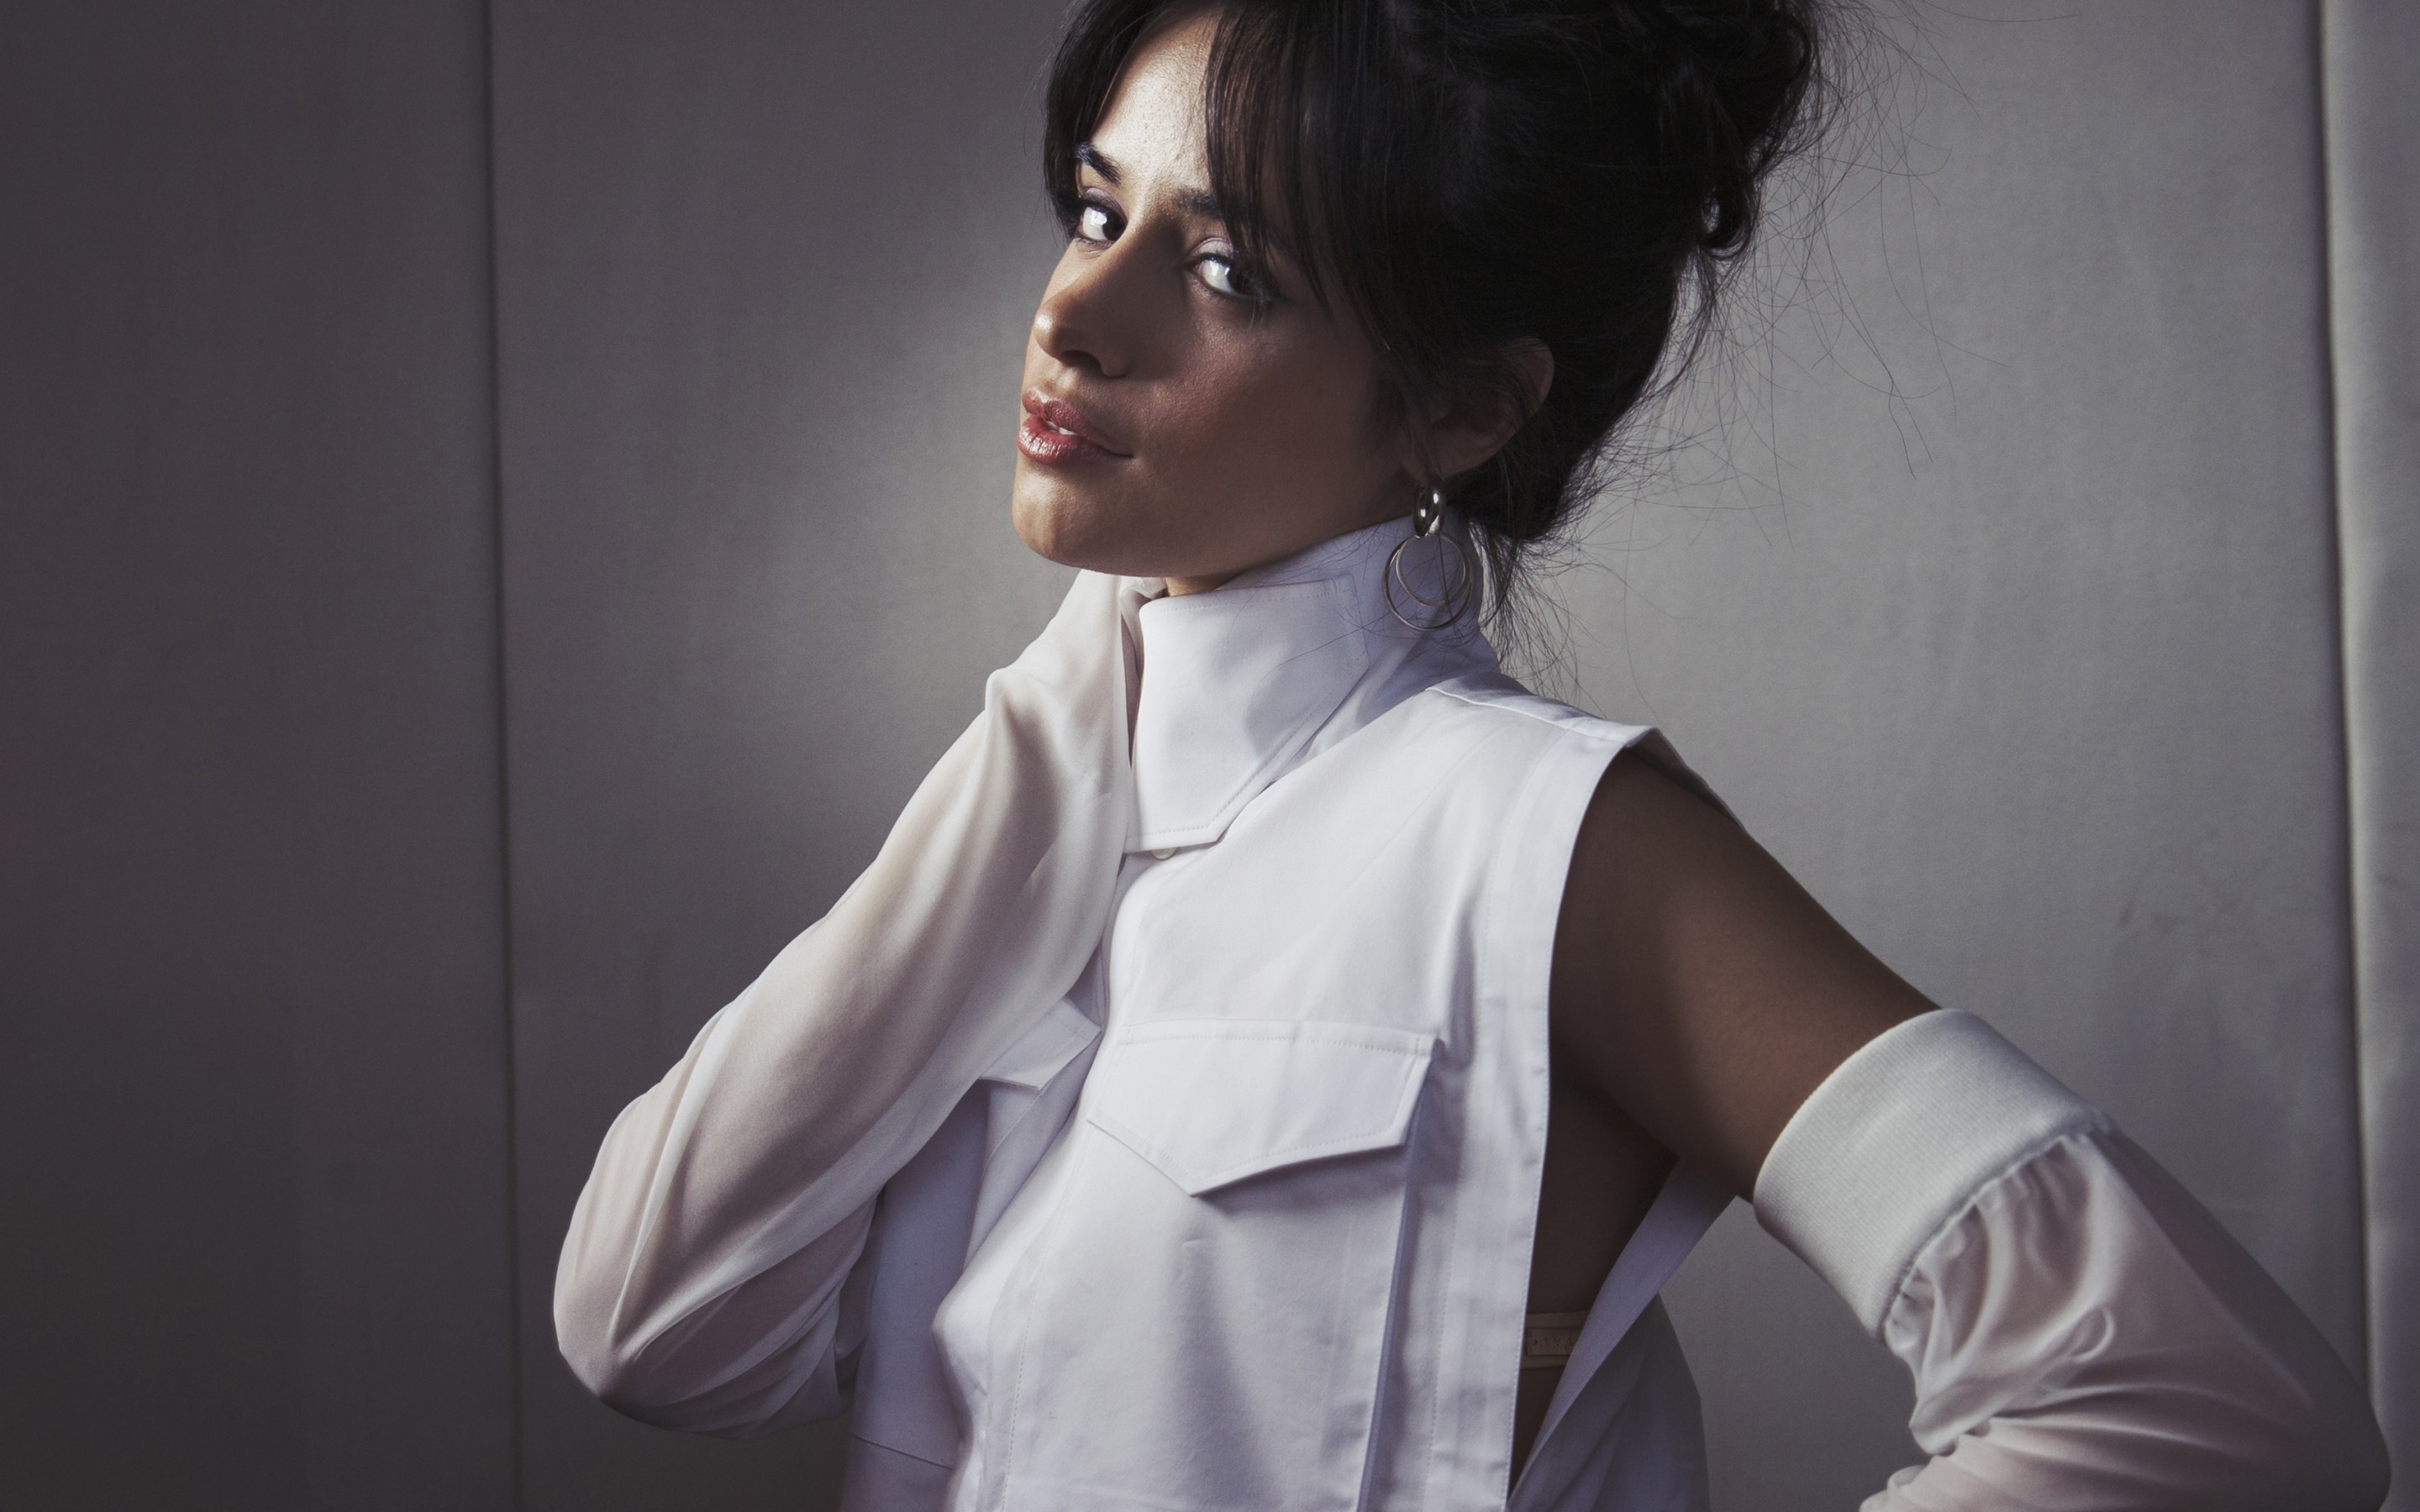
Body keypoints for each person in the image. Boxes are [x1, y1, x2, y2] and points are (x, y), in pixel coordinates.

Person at [552, 2, 2391, 1507]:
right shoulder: (1054, 833)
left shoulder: (1545, 840)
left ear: (1460, 404)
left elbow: (2207, 1410)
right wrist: (1076, 696)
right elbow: (652, 1326)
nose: (1074, 315)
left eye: (1227, 268)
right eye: (1100, 213)